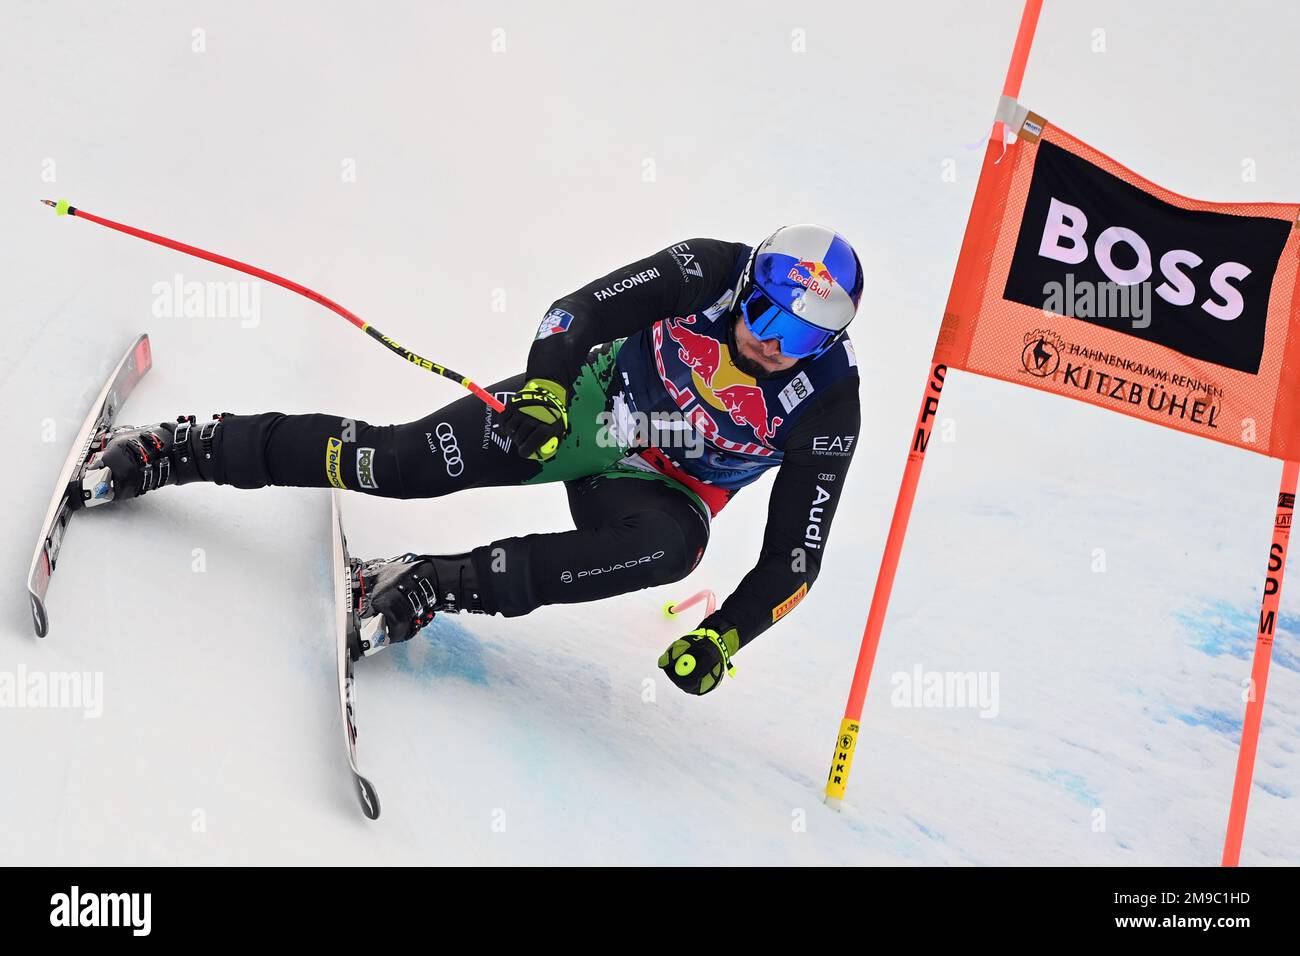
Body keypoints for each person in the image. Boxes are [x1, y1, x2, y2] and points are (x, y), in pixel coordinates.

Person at [80, 224, 864, 696]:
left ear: (824, 346)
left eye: (797, 339)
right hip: (587, 408)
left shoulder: (828, 403)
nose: (770, 340)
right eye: (765, 313)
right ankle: (183, 447)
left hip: (666, 489)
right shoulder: (711, 269)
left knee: (675, 550)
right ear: (751, 283)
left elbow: (796, 557)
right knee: (397, 464)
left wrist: (726, 636)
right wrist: (549, 391)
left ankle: (425, 582)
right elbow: (576, 311)